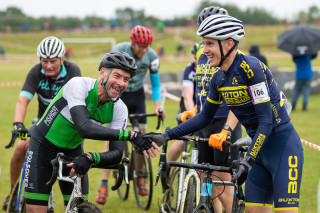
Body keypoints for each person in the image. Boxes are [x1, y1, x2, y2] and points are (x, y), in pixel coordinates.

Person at [145, 14, 304, 213]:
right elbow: (204, 117)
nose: (205, 50)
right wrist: (165, 136)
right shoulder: (218, 78)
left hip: (282, 147)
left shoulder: (251, 68)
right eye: (204, 44)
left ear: (228, 44)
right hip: (259, 152)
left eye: (210, 44)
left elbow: (266, 121)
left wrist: (247, 161)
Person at [24, 51, 159, 213]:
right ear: (102, 72)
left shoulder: (120, 108)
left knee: (79, 210)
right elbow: (84, 127)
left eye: (126, 79)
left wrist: (90, 157)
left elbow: (116, 153)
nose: (121, 83)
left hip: (73, 153)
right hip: (42, 148)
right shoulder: (79, 85)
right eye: (117, 76)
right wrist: (130, 135)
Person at [3, 36, 82, 211]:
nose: (48, 65)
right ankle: (13, 190)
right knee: (19, 149)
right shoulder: (36, 72)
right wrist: (18, 123)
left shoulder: (72, 71)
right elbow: (23, 100)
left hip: (67, 127)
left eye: (53, 61)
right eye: (44, 61)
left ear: (62, 59)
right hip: (42, 125)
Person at [177, 7, 242, 213]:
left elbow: (237, 96)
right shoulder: (203, 54)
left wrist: (227, 129)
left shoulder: (231, 56)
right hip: (204, 121)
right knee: (204, 171)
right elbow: (204, 89)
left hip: (223, 121)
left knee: (223, 176)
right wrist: (194, 109)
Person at [95, 25, 165, 204]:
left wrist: (157, 106)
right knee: (111, 138)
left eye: (147, 46)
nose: (144, 50)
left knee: (142, 137)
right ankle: (103, 184)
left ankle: (140, 175)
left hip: (138, 96)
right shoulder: (119, 50)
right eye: (141, 46)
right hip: (119, 94)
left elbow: (156, 85)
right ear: (132, 43)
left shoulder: (152, 56)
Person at [167, 42, 200, 163]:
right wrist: (193, 116)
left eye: (200, 58)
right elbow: (187, 96)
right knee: (182, 141)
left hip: (204, 107)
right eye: (195, 58)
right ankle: (167, 167)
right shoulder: (190, 69)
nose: (197, 61)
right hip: (188, 106)